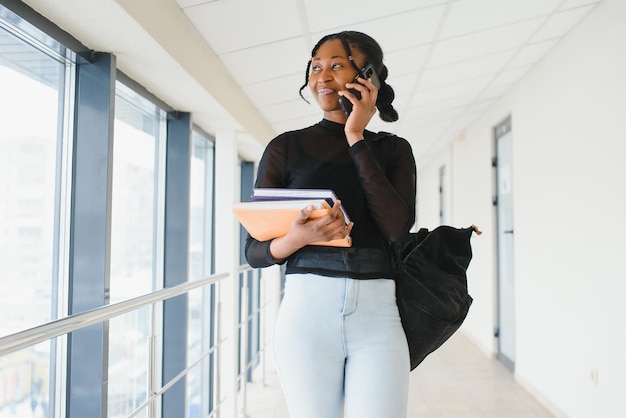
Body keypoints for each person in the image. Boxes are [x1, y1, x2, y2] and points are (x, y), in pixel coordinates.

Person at [245, 30, 416, 418]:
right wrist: (295, 237)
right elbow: (253, 251)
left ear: (367, 77)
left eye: (337, 65)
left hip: (379, 316)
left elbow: (395, 229)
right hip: (307, 315)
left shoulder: (393, 150)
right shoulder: (285, 148)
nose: (321, 77)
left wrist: (355, 136)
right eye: (316, 67)